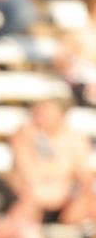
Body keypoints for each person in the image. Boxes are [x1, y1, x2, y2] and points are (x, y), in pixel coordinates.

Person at [10, 97, 96, 230]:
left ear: (61, 116)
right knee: (28, 202)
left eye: (48, 113)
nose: (42, 117)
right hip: (33, 196)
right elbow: (28, 173)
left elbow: (84, 176)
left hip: (65, 199)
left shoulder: (74, 139)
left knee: (89, 202)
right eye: (40, 113)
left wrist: (81, 195)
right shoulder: (25, 135)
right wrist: (62, 172)